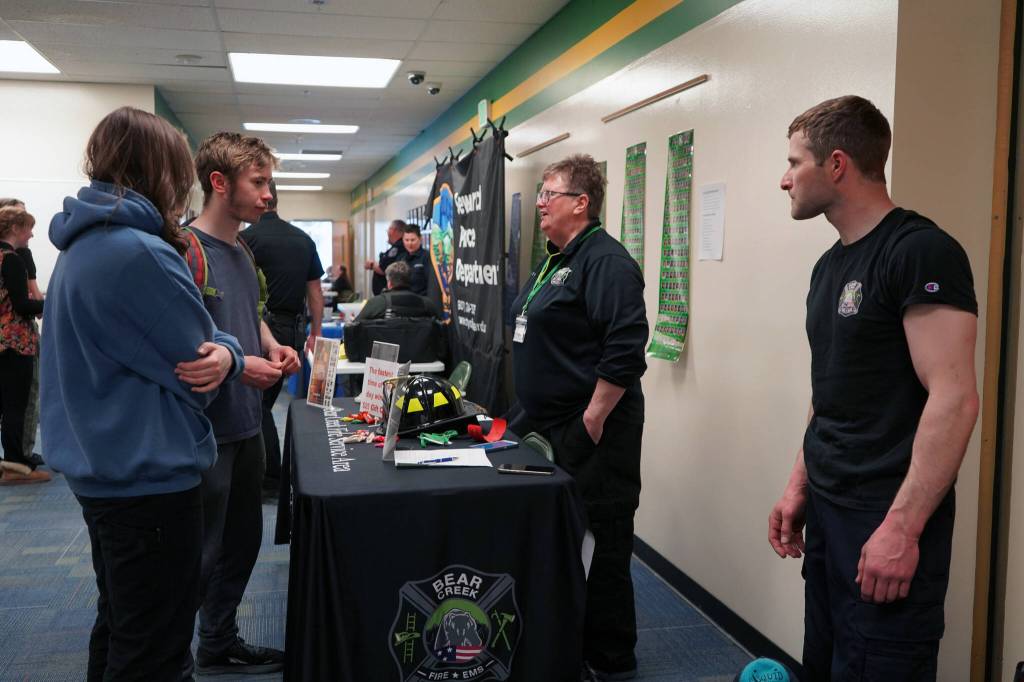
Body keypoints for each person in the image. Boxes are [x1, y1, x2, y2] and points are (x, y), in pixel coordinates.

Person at [769, 96, 979, 681]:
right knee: (827, 663)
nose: (783, 180)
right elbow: (831, 391)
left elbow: (955, 398)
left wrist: (902, 529)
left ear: (836, 165)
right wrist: (797, 485)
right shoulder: (828, 267)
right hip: (830, 514)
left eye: (794, 163)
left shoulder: (919, 251)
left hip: (884, 516)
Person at [40, 106, 244, 680]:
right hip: (147, 480)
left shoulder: (82, 245)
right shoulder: (137, 252)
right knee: (155, 646)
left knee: (123, 623)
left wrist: (219, 348)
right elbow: (198, 358)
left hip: (104, 471)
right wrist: (229, 352)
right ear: (163, 169)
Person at [508, 154, 648, 681]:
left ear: (581, 203)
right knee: (566, 543)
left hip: (593, 432)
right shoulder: (556, 258)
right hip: (548, 424)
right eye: (541, 193)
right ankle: (572, 643)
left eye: (550, 193)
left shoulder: (605, 261)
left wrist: (590, 421)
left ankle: (612, 661)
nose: (540, 202)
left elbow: (627, 346)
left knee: (604, 543)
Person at [186, 131, 301, 675]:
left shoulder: (241, 248)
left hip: (247, 424)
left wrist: (272, 344)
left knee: (241, 544)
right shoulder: (185, 251)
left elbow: (248, 311)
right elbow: (184, 342)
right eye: (258, 183)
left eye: (268, 183)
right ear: (218, 182)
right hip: (203, 432)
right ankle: (169, 653)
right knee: (197, 557)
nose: (268, 195)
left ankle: (218, 640)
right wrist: (238, 365)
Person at [240, 179, 323, 493]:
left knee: (256, 404)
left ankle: (271, 477)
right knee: (262, 403)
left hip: (259, 329)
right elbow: (315, 292)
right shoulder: (303, 239)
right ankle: (269, 474)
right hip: (294, 330)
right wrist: (314, 333)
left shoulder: (245, 239)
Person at [0, 206, 47, 484]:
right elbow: (22, 305)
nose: (31, 234)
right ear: (15, 229)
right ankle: (16, 467)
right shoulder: (12, 260)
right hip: (15, 343)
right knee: (16, 407)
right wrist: (51, 303)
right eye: (28, 228)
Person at [355, 260, 440, 321]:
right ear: (410, 280)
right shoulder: (427, 304)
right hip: (420, 346)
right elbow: (440, 328)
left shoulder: (377, 303)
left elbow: (353, 328)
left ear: (389, 283)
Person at [365, 219, 405, 295]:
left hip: (388, 293)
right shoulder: (396, 247)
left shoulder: (398, 247)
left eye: (389, 229)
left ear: (394, 231)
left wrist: (371, 265)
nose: (387, 232)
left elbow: (384, 269)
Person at [398, 223, 429, 295]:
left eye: (412, 240)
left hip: (420, 301)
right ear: (403, 240)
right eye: (407, 240)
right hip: (402, 300)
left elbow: (431, 284)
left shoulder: (426, 257)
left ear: (420, 239)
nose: (409, 243)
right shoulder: (400, 258)